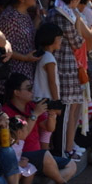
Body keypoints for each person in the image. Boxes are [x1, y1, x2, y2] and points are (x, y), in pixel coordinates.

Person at [2, 73, 76, 184]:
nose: (33, 91)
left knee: (71, 165)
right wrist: (34, 115)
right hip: (22, 155)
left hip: (38, 155)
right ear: (17, 92)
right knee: (45, 154)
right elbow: (22, 136)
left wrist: (52, 114)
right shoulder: (6, 111)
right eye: (28, 88)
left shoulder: (31, 106)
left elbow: (49, 127)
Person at [46, 0, 85, 160]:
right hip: (66, 70)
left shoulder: (55, 12)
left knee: (66, 113)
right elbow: (78, 41)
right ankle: (63, 152)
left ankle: (66, 149)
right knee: (65, 114)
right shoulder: (63, 15)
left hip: (61, 68)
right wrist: (77, 21)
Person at [0, 0, 41, 100]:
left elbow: (28, 35)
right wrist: (25, 57)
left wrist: (38, 19)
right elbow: (3, 48)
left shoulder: (25, 13)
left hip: (26, 72)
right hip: (13, 76)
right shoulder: (10, 17)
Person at [33, 22, 63, 150]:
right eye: (59, 38)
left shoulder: (44, 56)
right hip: (46, 101)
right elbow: (52, 82)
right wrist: (56, 102)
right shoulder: (49, 58)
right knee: (46, 134)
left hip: (39, 99)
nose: (61, 40)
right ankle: (45, 157)